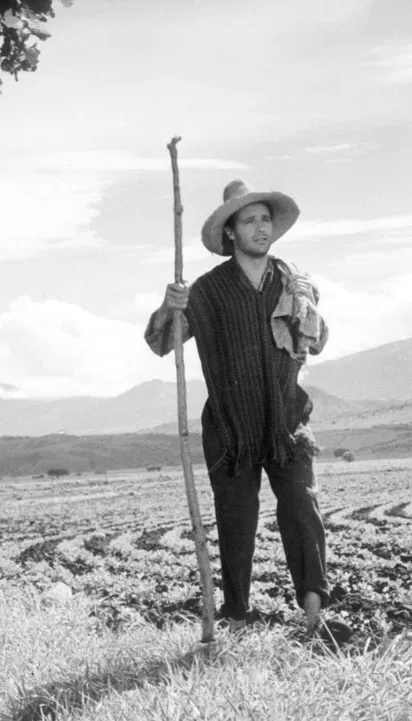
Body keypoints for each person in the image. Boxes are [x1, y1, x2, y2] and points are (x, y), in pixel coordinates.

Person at [145, 179, 343, 640]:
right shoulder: (206, 291)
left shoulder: (291, 281)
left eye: (265, 220)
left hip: (287, 423)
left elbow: (321, 340)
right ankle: (235, 618)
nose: (260, 228)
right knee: (237, 524)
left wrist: (308, 304)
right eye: (249, 220)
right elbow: (160, 343)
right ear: (230, 232)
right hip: (231, 430)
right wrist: (169, 307)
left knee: (302, 511)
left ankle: (315, 618)